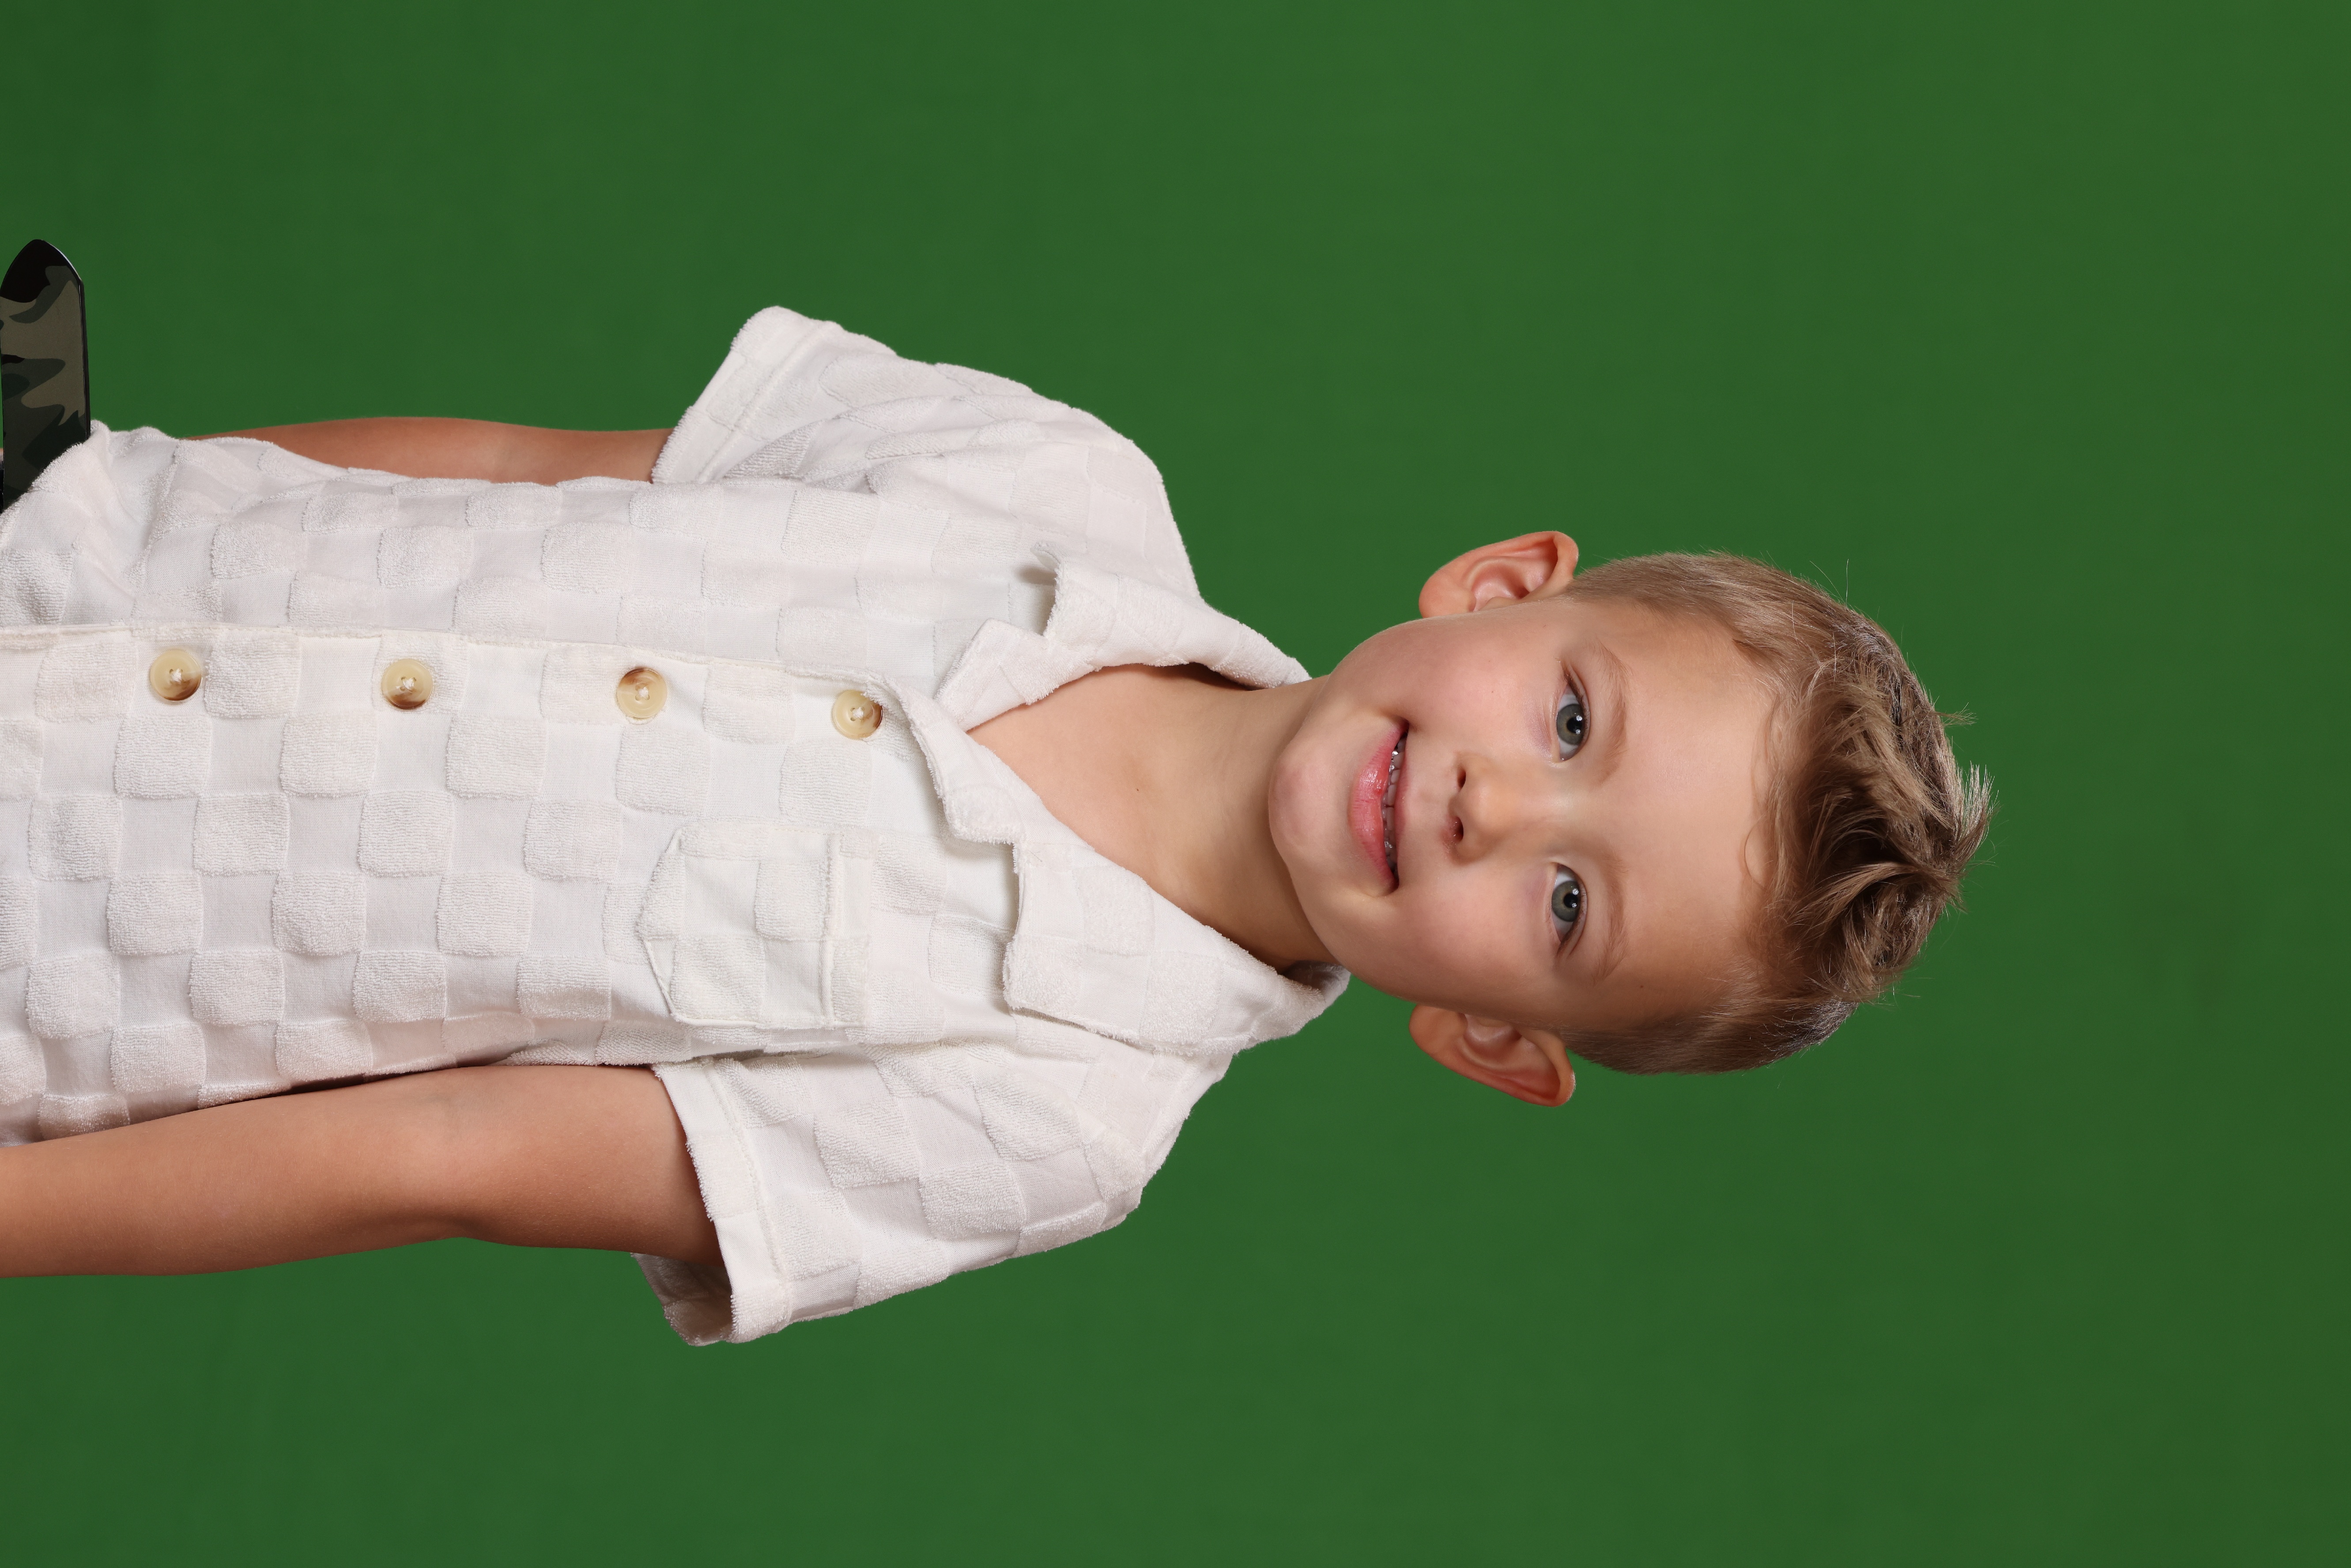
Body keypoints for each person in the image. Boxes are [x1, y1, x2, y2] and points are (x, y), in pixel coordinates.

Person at [0, 306, 1988, 1342]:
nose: (1497, 804)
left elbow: (437, 1154)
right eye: (1569, 718)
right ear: (1499, 586)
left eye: (1567, 903)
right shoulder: (1046, 479)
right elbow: (517, 473)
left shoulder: (1059, 1113)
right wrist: (100, 481)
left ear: (1491, 1038)